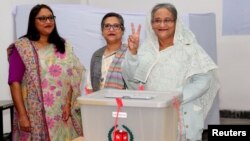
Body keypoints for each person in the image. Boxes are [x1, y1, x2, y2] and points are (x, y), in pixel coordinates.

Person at [122, 3, 220, 140]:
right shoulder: (145, 50)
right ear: (151, 24)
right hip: (152, 116)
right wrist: (132, 53)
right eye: (157, 20)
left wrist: (175, 96)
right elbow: (132, 82)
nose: (162, 24)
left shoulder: (189, 48)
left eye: (167, 20)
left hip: (181, 117)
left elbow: (204, 80)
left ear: (176, 22)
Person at [7, 4, 85, 141]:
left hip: (62, 114)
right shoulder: (22, 47)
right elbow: (14, 82)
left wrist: (68, 103)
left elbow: (73, 75)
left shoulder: (64, 46)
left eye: (50, 18)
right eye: (42, 18)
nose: (48, 21)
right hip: (34, 113)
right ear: (33, 22)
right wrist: (22, 115)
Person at [85, 12, 127, 93]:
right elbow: (90, 87)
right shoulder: (97, 55)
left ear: (123, 31)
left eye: (116, 26)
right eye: (107, 26)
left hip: (122, 103)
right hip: (99, 103)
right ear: (102, 31)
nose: (111, 29)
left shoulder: (129, 54)